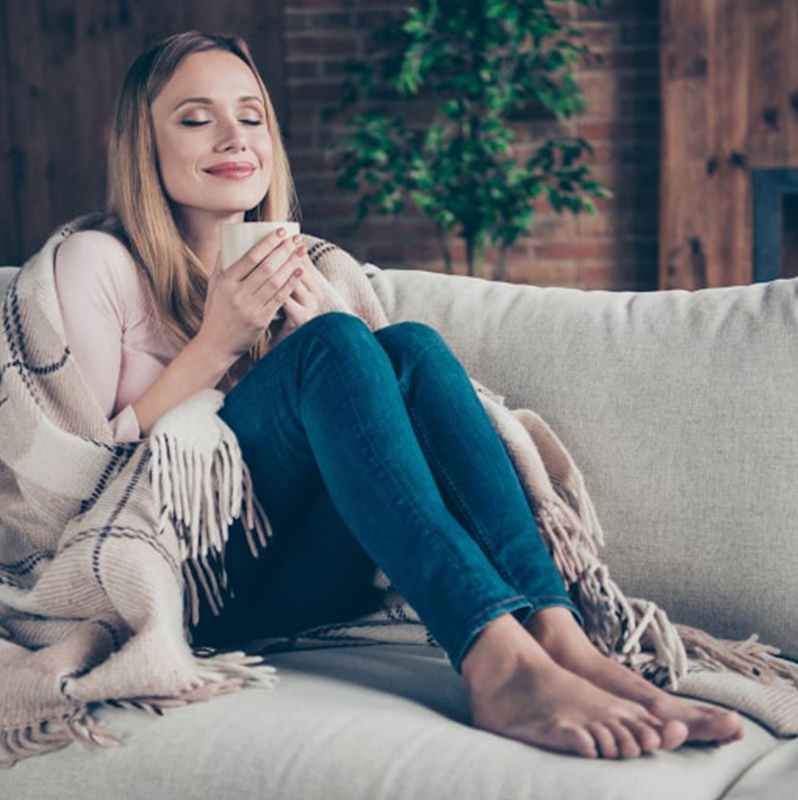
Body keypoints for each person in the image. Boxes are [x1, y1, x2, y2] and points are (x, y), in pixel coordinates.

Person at [51, 31, 744, 760]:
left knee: (403, 347)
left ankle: (558, 634)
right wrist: (217, 345)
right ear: (142, 143)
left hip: (305, 579)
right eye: (196, 118)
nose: (234, 137)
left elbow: (375, 432)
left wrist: (330, 344)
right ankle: (493, 659)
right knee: (338, 346)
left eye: (252, 116)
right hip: (190, 588)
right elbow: (79, 475)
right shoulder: (97, 262)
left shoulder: (305, 263)